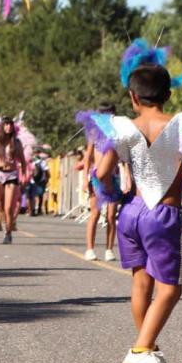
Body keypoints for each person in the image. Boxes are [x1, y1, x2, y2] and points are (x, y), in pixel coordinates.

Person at [80, 43, 182, 363]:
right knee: (170, 288)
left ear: (133, 97)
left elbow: (101, 173)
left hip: (131, 211)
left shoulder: (121, 128)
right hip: (165, 213)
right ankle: (141, 349)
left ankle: (147, 345)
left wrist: (112, 194)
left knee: (141, 282)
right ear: (168, 95)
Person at [80, 102, 120, 261]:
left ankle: (109, 249)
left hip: (114, 176)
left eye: (111, 114)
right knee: (95, 214)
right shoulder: (94, 133)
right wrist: (85, 179)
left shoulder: (117, 133)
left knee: (111, 215)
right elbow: (88, 157)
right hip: (96, 176)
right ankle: (90, 248)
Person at [0, 116, 27, 245]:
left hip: (11, 175)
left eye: (10, 124)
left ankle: (8, 234)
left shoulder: (17, 142)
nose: (8, 127)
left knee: (8, 208)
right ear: (2, 126)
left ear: (13, 127)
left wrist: (23, 177)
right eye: (6, 124)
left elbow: (23, 162)